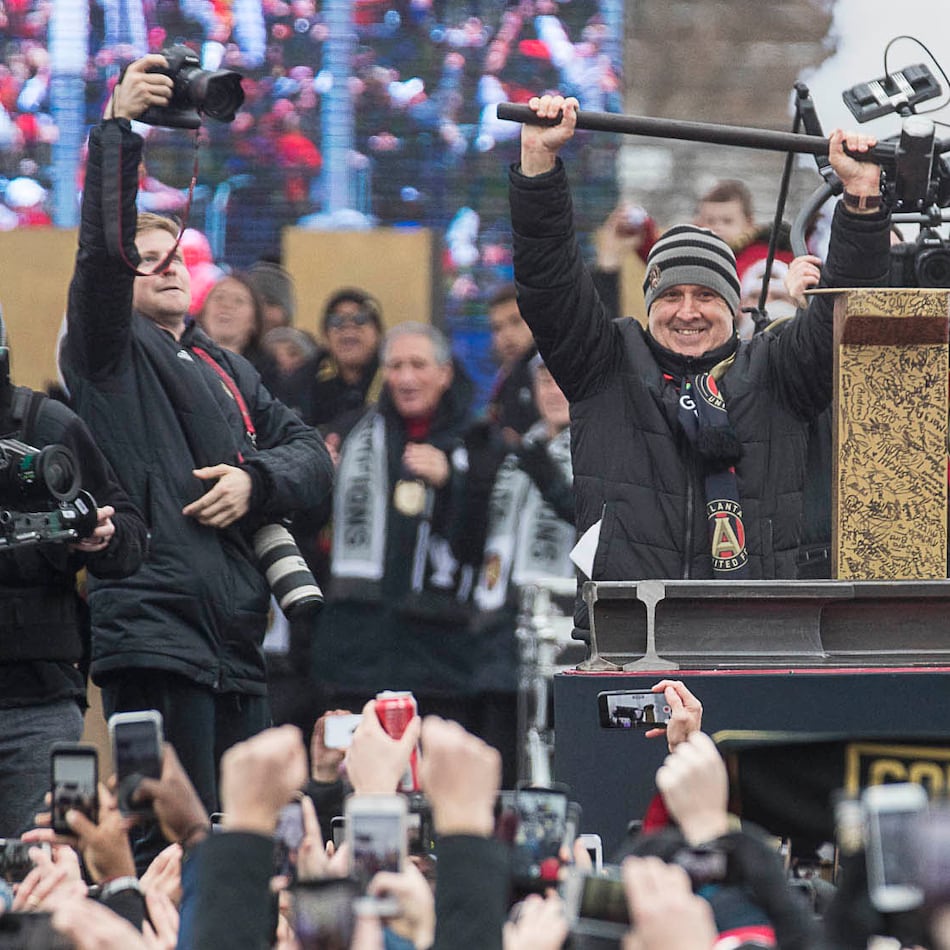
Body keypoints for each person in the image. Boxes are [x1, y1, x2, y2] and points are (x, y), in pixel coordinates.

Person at [59, 53, 334, 869]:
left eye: (177, 250)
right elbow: (102, 257)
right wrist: (118, 129)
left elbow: (312, 463)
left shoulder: (228, 367)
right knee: (163, 848)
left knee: (239, 845)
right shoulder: (103, 353)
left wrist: (258, 482)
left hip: (238, 643)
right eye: (150, 252)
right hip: (154, 636)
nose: (169, 259)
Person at [509, 94, 889, 635]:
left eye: (706, 296)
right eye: (671, 296)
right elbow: (548, 282)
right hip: (628, 632)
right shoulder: (605, 365)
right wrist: (538, 167)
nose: (687, 312)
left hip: (761, 638)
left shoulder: (778, 370)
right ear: (649, 304)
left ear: (735, 305)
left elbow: (843, 315)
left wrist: (860, 199)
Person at [0, 317, 147, 837]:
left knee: (54, 868)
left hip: (39, 706)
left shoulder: (45, 425)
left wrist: (98, 538)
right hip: (44, 697)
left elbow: (130, 532)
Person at [312, 321, 477, 728]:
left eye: (418, 365)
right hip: (355, 652)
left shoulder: (479, 441)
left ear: (444, 373)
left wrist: (454, 484)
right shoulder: (348, 435)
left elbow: (484, 546)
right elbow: (311, 532)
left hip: (442, 660)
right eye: (396, 366)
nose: (405, 378)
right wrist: (316, 480)